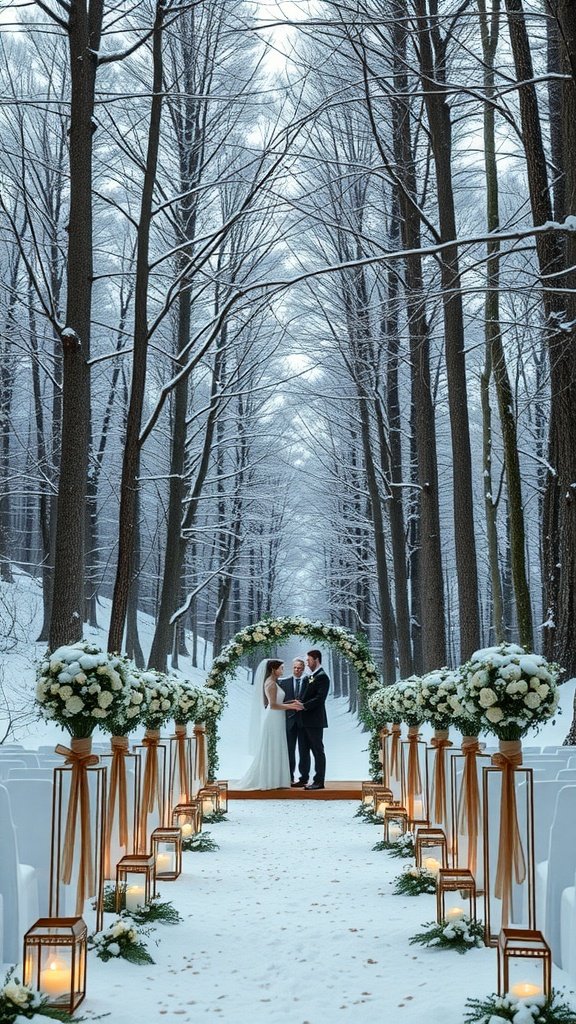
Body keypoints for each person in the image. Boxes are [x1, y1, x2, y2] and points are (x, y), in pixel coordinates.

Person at [233, 659, 303, 790]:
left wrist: (290, 701)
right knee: (272, 747)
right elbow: (274, 705)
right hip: (273, 718)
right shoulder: (270, 683)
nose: (282, 670)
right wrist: (291, 706)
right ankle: (269, 779)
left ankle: (276, 779)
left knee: (277, 746)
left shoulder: (273, 682)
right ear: (273, 670)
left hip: (277, 718)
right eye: (281, 668)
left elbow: (278, 700)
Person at [292, 649, 330, 791]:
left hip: (314, 721)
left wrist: (304, 706)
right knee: (303, 750)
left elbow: (320, 698)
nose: (307, 663)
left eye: (309, 660)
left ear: (316, 659)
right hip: (303, 720)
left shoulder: (322, 677)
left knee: (317, 750)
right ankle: (303, 778)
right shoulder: (310, 676)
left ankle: (319, 781)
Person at [280, 657, 306, 782]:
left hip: (304, 722)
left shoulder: (308, 682)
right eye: (295, 668)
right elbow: (280, 701)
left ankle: (303, 777)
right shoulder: (284, 683)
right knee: (289, 750)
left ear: (303, 669)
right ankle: (289, 776)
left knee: (303, 751)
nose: (297, 670)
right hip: (289, 721)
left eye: (299, 668)